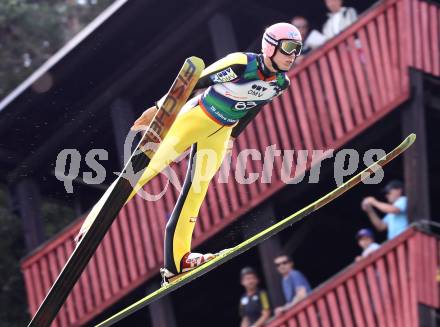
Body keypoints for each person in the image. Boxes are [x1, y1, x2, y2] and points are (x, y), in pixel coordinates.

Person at [76, 22, 303, 283]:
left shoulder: (281, 83)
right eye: (288, 48)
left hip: (221, 131)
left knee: (196, 191)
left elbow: (254, 106)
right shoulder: (241, 64)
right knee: (147, 168)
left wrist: (233, 136)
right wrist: (159, 111)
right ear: (270, 46)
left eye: (297, 50)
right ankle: (95, 219)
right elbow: (193, 81)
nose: (292, 55)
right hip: (196, 117)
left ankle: (176, 263)